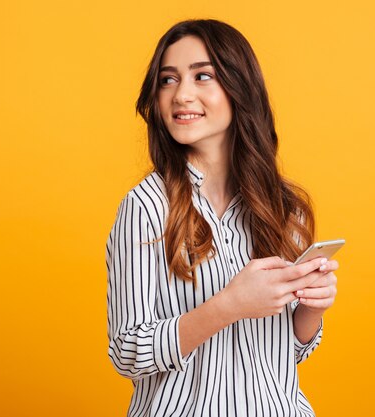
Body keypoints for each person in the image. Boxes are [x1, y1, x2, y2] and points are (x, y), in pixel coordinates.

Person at [105, 19, 339, 416]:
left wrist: (311, 310)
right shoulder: (145, 208)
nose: (181, 94)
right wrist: (227, 306)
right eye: (168, 80)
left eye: (203, 76)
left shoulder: (282, 207)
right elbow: (128, 351)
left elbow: (289, 353)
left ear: (239, 87)